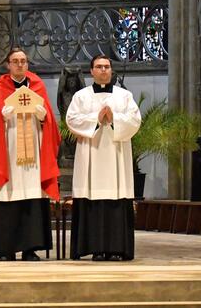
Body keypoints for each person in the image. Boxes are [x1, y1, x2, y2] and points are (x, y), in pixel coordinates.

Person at [0, 47, 60, 261]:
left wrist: (43, 117)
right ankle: (6, 249)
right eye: (16, 61)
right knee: (8, 196)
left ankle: (30, 249)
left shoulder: (37, 86)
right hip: (8, 155)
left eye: (23, 61)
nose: (20, 64)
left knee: (31, 196)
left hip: (33, 157)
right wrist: (0, 117)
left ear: (27, 63)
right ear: (8, 65)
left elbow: (50, 122)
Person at [65, 55, 142, 261]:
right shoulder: (81, 96)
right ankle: (96, 249)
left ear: (111, 70)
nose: (103, 70)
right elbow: (71, 119)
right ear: (91, 71)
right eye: (99, 67)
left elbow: (135, 121)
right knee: (92, 198)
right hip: (91, 154)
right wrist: (96, 119)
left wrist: (114, 118)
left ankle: (117, 249)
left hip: (116, 156)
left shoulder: (124, 96)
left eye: (107, 67)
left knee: (116, 198)